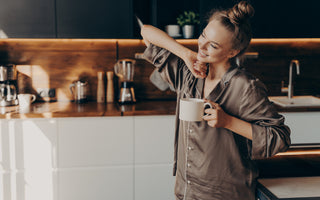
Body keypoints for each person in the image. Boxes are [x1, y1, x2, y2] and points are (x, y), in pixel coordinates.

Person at [141, 1, 291, 199]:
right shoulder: (187, 74)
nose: (202, 46)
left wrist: (228, 122)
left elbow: (279, 138)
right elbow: (146, 32)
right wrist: (185, 53)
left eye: (213, 45)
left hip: (226, 194)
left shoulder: (245, 87)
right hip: (186, 191)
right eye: (203, 35)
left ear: (232, 52)